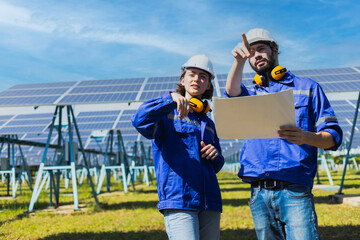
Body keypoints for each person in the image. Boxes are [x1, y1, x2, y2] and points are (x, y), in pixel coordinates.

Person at [225, 28, 342, 240]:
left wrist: (306, 137)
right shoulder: (251, 94)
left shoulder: (308, 88)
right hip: (259, 193)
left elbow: (333, 137)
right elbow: (232, 93)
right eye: (251, 53)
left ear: (275, 49)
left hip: (294, 190)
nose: (256, 55)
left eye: (261, 49)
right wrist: (238, 62)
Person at [132, 54, 224, 240]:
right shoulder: (165, 113)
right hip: (179, 199)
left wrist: (215, 155)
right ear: (183, 80)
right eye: (192, 74)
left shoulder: (209, 123)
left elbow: (218, 164)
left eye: (203, 76)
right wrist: (169, 99)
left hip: (210, 202)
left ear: (208, 85)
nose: (197, 79)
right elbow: (139, 120)